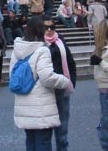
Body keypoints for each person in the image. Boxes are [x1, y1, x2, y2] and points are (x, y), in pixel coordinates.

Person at [9, 16, 70, 151]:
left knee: (31, 141)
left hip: (24, 104)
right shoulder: (42, 50)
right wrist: (65, 81)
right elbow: (47, 77)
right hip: (41, 105)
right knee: (43, 142)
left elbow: (12, 75)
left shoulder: (17, 50)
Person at [43, 16, 76, 151]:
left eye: (52, 27)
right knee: (45, 130)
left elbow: (70, 61)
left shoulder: (60, 40)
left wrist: (71, 82)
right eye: (46, 27)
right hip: (46, 91)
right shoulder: (38, 44)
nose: (50, 30)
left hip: (62, 89)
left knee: (63, 128)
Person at [91, 19, 108, 150]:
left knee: (106, 123)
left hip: (106, 88)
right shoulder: (101, 47)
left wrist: (101, 62)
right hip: (103, 88)